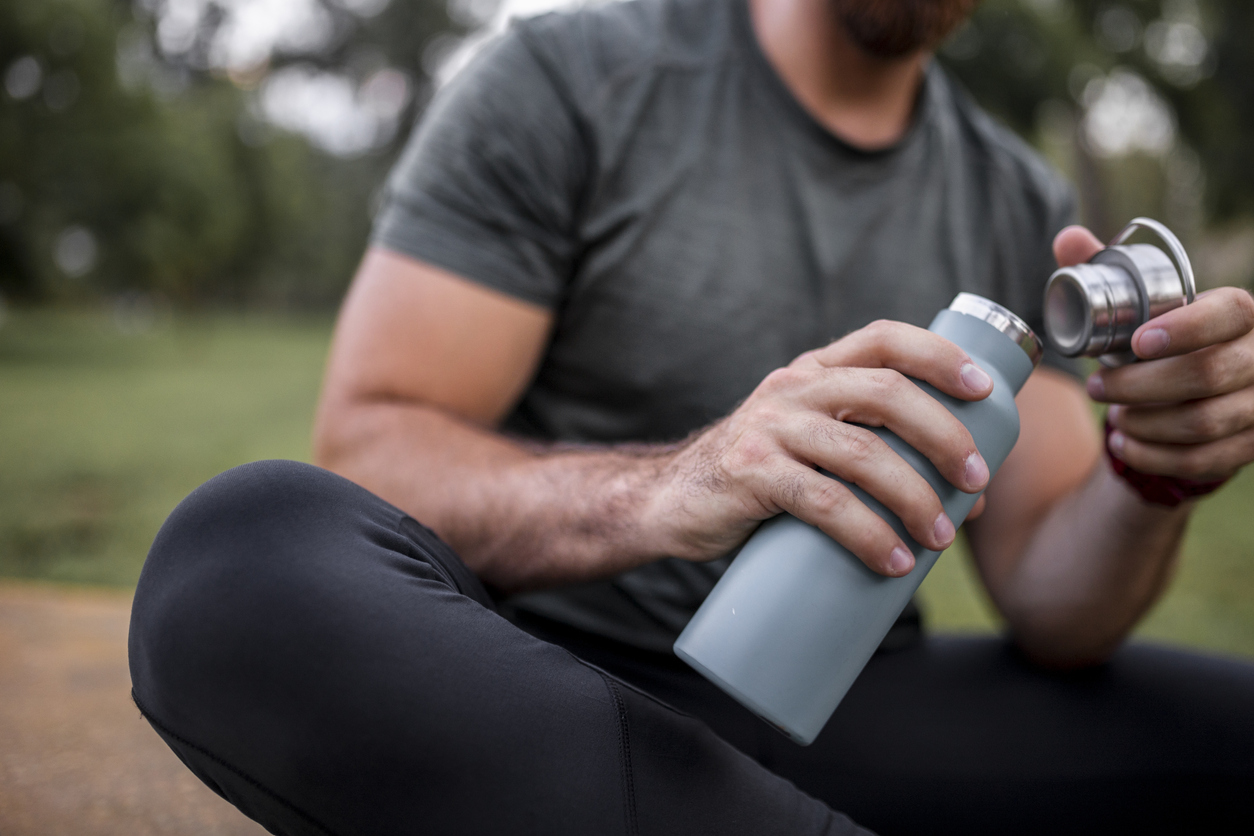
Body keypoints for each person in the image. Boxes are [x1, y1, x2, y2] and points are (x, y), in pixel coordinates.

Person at [128, 0, 1254, 832]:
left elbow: (1060, 609)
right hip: (547, 686)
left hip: (846, 713)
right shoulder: (571, 81)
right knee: (236, 552)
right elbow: (373, 448)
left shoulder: (1010, 191)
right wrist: (670, 486)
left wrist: (1151, 471)